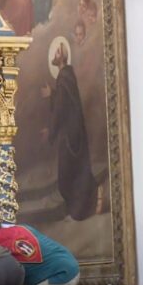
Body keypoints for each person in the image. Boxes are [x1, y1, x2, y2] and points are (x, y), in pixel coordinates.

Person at [41, 40, 100, 220]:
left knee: (67, 176)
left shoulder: (64, 77)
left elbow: (60, 109)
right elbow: (64, 101)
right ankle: (78, 209)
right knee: (73, 173)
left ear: (62, 57)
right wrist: (53, 94)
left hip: (69, 137)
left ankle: (77, 211)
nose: (54, 56)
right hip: (72, 135)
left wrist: (50, 133)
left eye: (57, 53)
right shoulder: (66, 76)